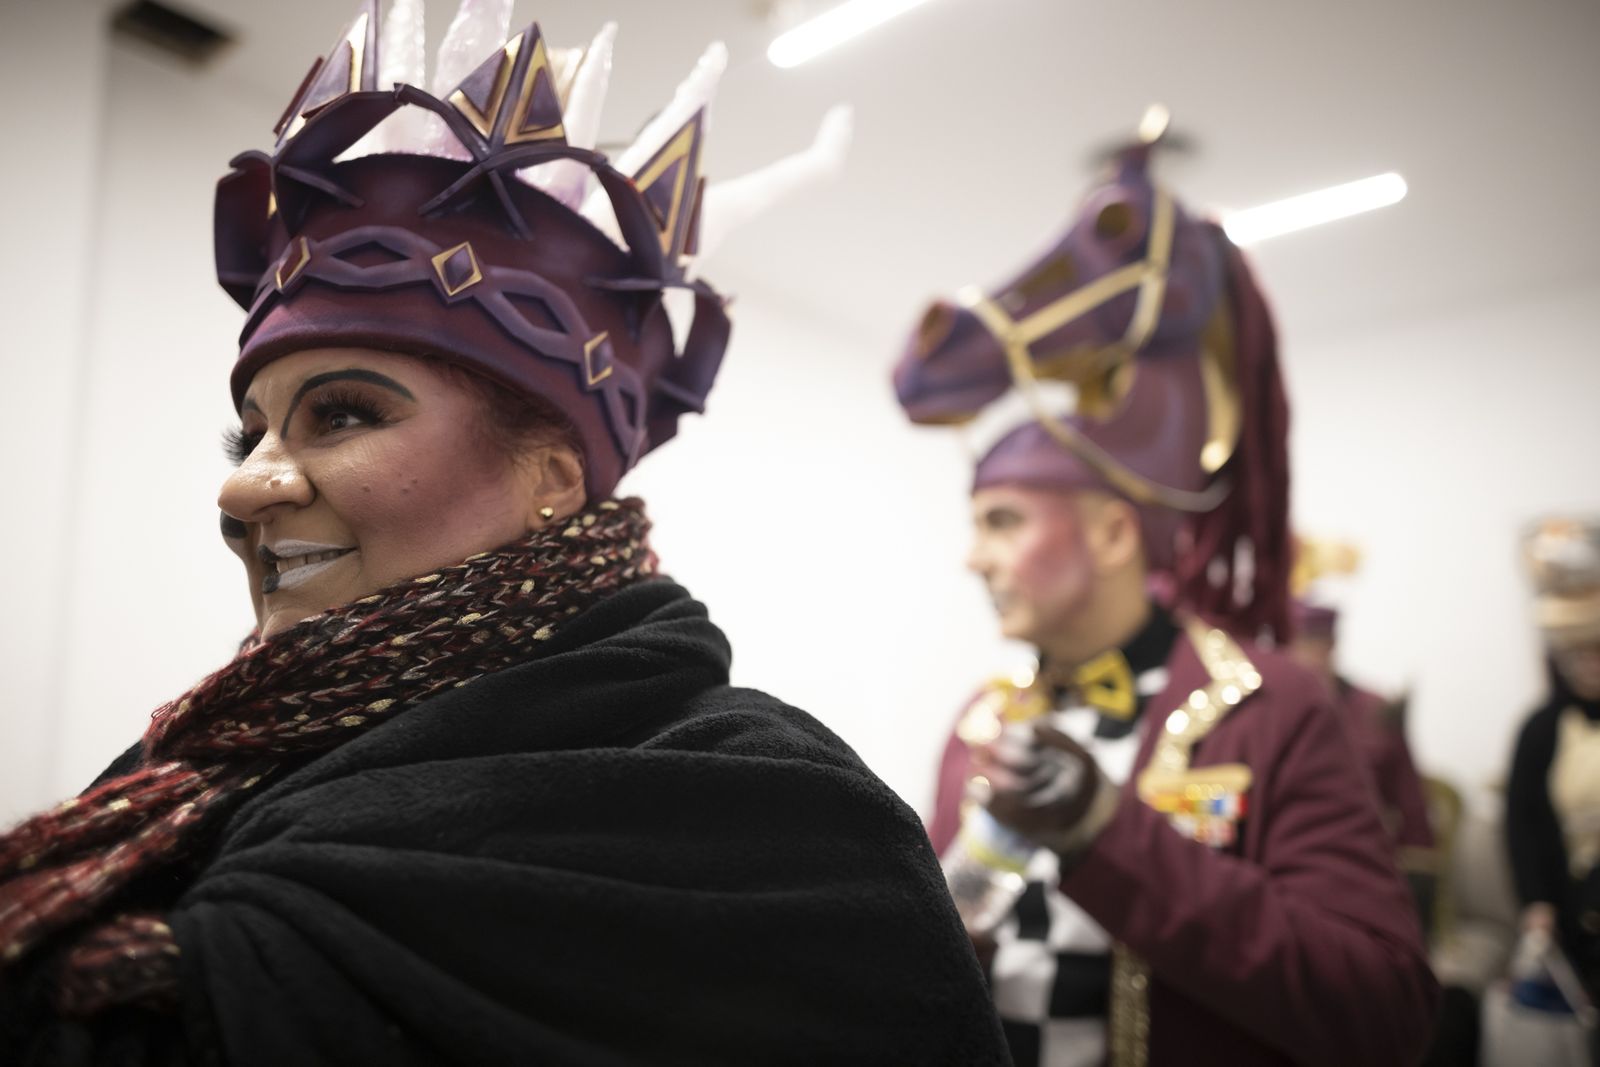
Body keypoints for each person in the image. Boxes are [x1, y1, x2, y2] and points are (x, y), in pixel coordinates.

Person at [0, 5, 1006, 1064]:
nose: (245, 487)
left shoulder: (765, 818)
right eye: (248, 431)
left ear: (552, 480)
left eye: (343, 413)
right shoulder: (201, 761)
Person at [894, 123, 1438, 1065]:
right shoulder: (977, 723)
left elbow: (1385, 1014)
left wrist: (1109, 832)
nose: (972, 559)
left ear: (1111, 532)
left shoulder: (1276, 710)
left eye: (1003, 522)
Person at [1286, 541, 1437, 918]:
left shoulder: (1374, 709)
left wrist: (1417, 888)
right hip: (1291, 873)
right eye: (1293, 645)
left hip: (1369, 868)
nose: (1301, 657)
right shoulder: (1270, 713)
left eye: (1311, 644)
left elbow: (1411, 805)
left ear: (1331, 645)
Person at [1506, 517, 1600, 1033]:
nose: (1591, 664)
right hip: (1574, 912)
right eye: (1579, 653)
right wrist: (1537, 904)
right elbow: (1526, 824)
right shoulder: (1542, 729)